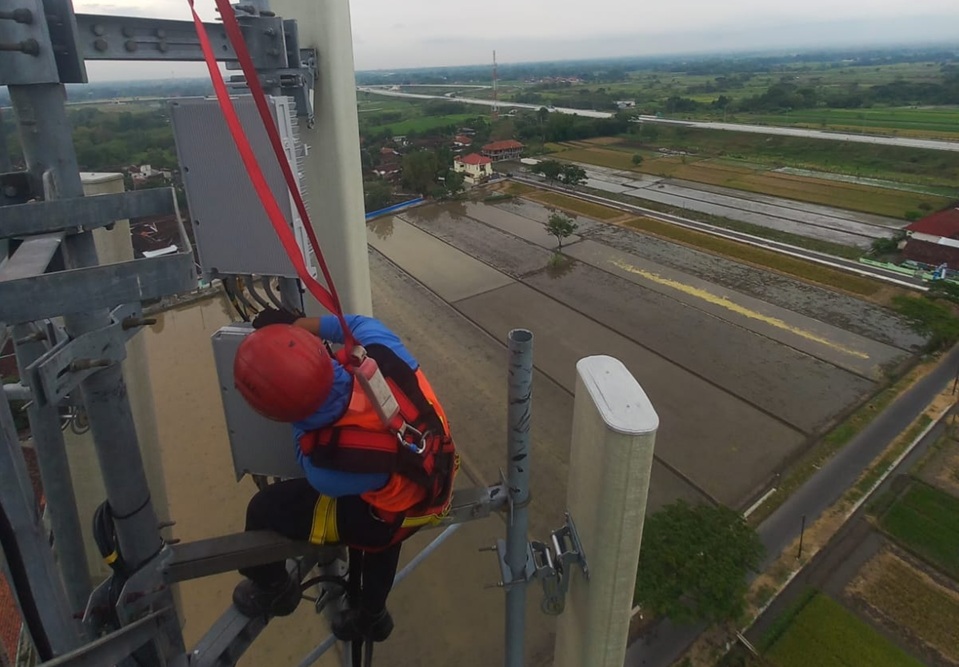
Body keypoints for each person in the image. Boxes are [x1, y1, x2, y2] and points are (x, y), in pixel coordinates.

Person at [230, 308, 457, 643]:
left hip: (401, 509)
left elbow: (304, 449)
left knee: (263, 509)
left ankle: (275, 589)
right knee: (388, 514)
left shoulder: (325, 467)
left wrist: (289, 402)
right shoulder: (381, 349)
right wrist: (297, 328)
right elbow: (355, 324)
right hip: (438, 469)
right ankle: (372, 615)